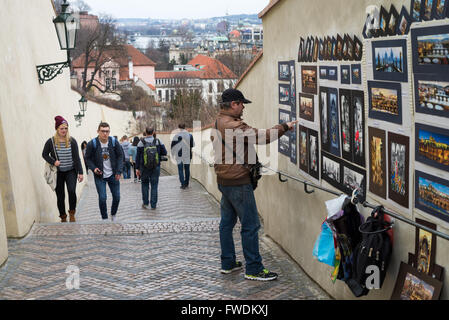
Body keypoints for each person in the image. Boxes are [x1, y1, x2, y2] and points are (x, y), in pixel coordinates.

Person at [211, 88, 297, 281]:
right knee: (250, 225)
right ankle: (254, 268)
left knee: (227, 223)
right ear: (234, 104)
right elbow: (262, 137)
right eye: (242, 104)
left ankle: (228, 263)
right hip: (238, 182)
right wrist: (285, 127)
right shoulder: (233, 126)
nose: (243, 108)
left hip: (224, 180)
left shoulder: (218, 121)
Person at [42, 116, 83, 223]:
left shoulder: (72, 141)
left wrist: (81, 172)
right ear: (57, 129)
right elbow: (44, 154)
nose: (64, 130)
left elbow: (77, 158)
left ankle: (72, 213)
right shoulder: (51, 142)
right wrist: (53, 161)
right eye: (61, 128)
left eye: (66, 128)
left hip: (71, 171)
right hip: (58, 173)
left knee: (71, 191)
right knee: (60, 196)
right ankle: (63, 217)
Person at [85, 122, 124, 221]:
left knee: (117, 197)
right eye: (102, 131)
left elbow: (120, 156)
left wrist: (119, 171)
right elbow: (87, 158)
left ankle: (113, 213)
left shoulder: (114, 142)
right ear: (98, 131)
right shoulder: (92, 144)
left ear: (109, 132)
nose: (105, 133)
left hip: (113, 174)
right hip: (100, 176)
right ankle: (104, 218)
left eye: (107, 131)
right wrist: (94, 168)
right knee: (102, 198)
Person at [136, 127, 167, 210]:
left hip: (144, 167)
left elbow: (137, 157)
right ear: (153, 132)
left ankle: (145, 203)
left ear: (145, 132)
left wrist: (137, 168)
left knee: (145, 184)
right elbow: (165, 152)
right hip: (155, 167)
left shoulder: (141, 142)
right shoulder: (158, 141)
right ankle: (153, 205)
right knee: (154, 185)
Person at [171, 123, 194, 189]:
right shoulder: (190, 135)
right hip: (187, 154)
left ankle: (182, 184)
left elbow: (173, 146)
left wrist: (172, 154)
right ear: (185, 127)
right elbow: (192, 145)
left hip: (179, 155)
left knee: (180, 170)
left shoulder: (176, 136)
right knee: (187, 169)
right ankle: (187, 183)